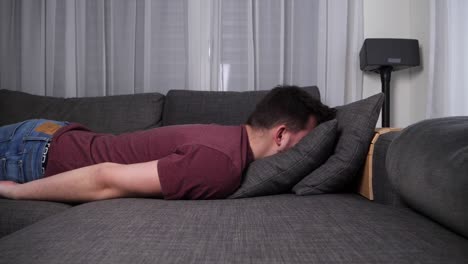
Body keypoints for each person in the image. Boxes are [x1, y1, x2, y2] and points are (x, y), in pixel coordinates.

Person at [0, 86, 335, 202]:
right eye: (304, 142)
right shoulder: (221, 165)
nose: (304, 152)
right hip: (35, 153)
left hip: (49, 135)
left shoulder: (226, 138)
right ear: (279, 134)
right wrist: (15, 192)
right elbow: (105, 178)